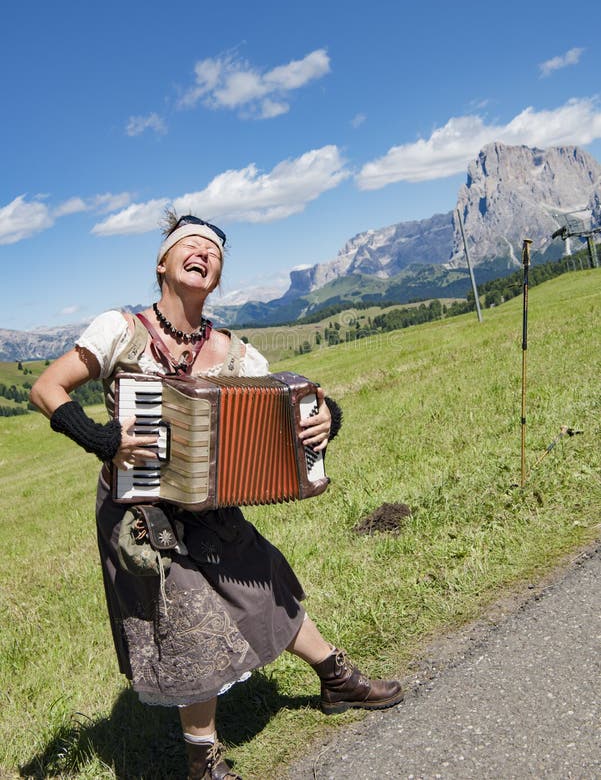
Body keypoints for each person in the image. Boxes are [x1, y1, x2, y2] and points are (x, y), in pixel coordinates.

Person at [30, 212, 403, 780]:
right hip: (142, 512)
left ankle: (336, 679)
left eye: (215, 252)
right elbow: (46, 388)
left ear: (218, 276)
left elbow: (290, 407)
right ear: (163, 263)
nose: (204, 254)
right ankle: (203, 761)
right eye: (191, 246)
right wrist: (103, 439)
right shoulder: (120, 330)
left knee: (265, 583)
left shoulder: (235, 353)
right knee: (188, 621)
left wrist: (328, 416)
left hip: (210, 506)